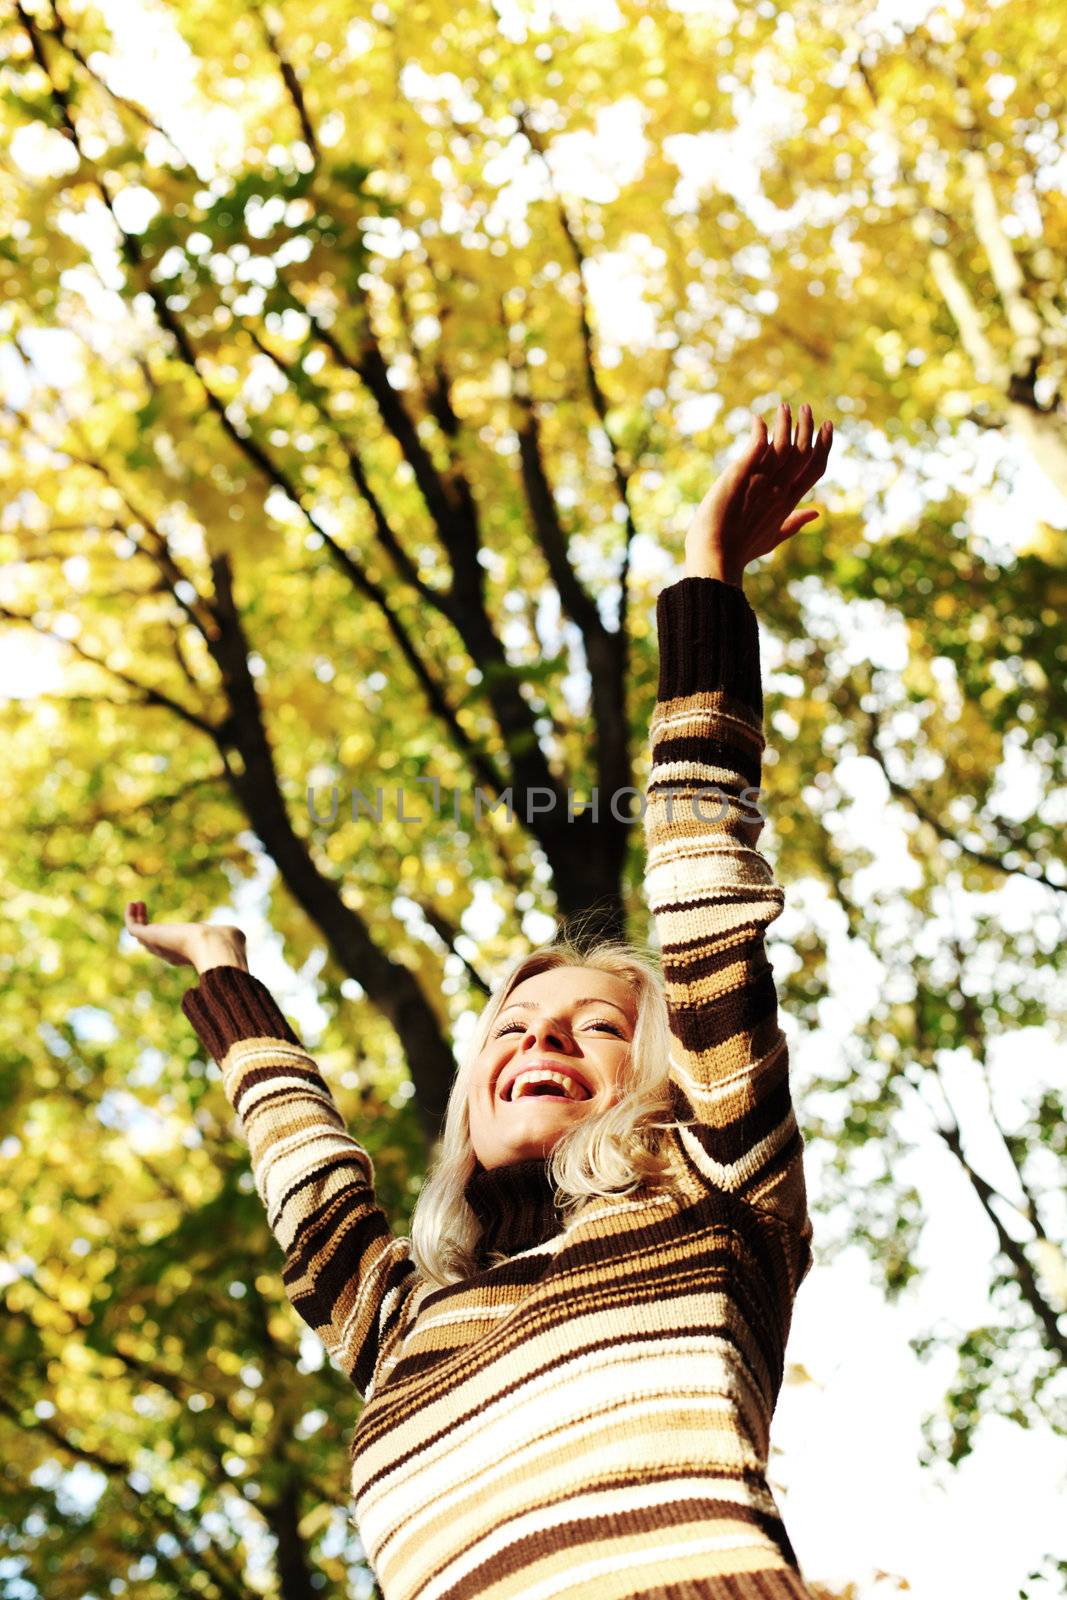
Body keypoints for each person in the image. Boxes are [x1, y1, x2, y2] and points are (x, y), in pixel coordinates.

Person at [125, 400, 833, 1600]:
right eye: (505, 1030)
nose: (534, 1038)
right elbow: (310, 1183)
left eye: (592, 1025)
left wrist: (706, 577)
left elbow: (706, 898)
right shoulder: (401, 1322)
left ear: (662, 1076)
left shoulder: (715, 1192)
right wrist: (226, 976)